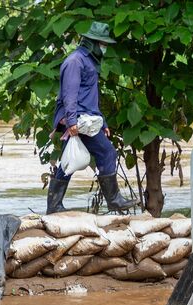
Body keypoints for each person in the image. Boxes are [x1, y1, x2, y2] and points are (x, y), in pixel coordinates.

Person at [47, 21, 136, 214]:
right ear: (92, 42)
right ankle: (114, 200)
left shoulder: (88, 61)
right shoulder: (75, 62)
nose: (104, 47)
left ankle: (54, 206)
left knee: (66, 160)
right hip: (77, 120)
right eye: (102, 43)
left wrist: (101, 121)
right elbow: (70, 95)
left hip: (86, 118)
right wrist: (71, 122)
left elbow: (90, 97)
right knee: (107, 153)